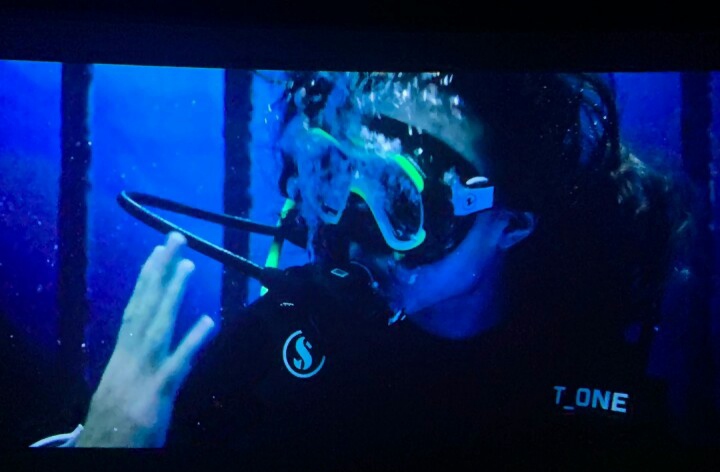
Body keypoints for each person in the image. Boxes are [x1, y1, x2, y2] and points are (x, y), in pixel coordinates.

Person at [36, 72, 687, 462]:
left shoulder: (584, 381)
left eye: (401, 197)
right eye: (340, 174)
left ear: (511, 224)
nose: (353, 227)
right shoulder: (274, 346)